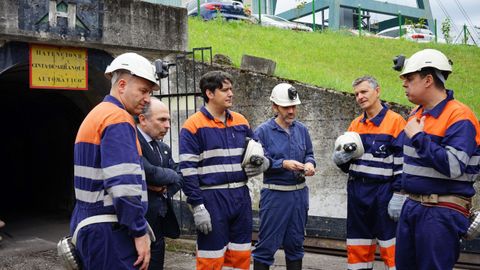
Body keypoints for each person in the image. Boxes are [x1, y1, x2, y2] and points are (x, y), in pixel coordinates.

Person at [70, 52, 159, 270]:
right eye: (143, 91)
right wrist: (139, 231)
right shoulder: (118, 118)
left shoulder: (98, 114)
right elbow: (123, 185)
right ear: (121, 85)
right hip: (109, 229)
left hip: (93, 225)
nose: (147, 99)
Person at [394, 49, 480, 270]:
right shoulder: (416, 114)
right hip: (413, 206)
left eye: (410, 78)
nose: (404, 84)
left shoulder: (460, 117)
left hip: (440, 212)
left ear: (428, 80)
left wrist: (419, 137)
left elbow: (453, 166)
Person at [179, 70, 269, 270]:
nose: (231, 94)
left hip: (240, 195)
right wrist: (198, 206)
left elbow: (260, 150)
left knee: (241, 255)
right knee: (211, 258)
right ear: (209, 93)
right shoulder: (192, 126)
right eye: (225, 90)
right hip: (212, 199)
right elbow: (187, 170)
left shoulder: (241, 121)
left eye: (231, 89)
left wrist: (263, 162)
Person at [332, 76, 406, 270]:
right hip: (357, 191)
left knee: (393, 250)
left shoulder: (396, 122)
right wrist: (341, 161)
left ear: (377, 91)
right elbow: (349, 163)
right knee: (358, 249)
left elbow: (402, 163)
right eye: (356, 94)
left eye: (364, 92)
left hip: (384, 193)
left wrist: (399, 195)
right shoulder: (355, 124)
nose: (360, 97)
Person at [252, 83, 316, 270]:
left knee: (296, 245)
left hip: (299, 196)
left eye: (293, 106)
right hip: (276, 196)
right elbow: (258, 161)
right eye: (286, 107)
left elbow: (309, 154)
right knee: (266, 247)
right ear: (274, 107)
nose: (291, 111)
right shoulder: (262, 132)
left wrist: (310, 164)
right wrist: (283, 164)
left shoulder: (302, 129)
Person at [136, 97, 183, 270]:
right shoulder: (133, 142)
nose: (167, 125)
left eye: (169, 120)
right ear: (143, 119)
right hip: (140, 223)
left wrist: (163, 189)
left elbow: (180, 175)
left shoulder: (163, 147)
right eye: (162, 120)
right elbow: (149, 172)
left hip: (160, 224)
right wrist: (165, 176)